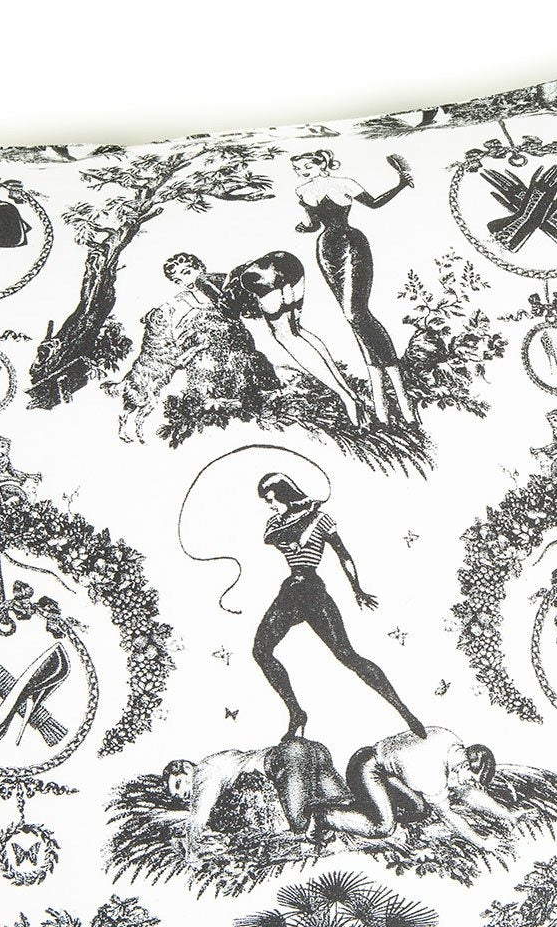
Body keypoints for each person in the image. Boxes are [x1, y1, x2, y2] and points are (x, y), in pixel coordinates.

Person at [252, 471, 426, 741]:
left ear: (285, 495)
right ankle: (296, 712)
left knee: (347, 655)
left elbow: (343, 554)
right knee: (261, 651)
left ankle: (404, 711)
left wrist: (357, 588)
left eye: (272, 499)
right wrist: (307, 516)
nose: (270, 506)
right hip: (290, 593)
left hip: (312, 592)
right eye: (267, 501)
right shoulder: (277, 522)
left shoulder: (322, 519)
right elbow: (273, 537)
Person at [163, 252, 365, 427]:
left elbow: (229, 311)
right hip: (286, 263)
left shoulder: (203, 281)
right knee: (298, 331)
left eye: (187, 272)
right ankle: (348, 392)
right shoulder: (220, 278)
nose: (186, 282)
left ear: (200, 267)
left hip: (262, 276)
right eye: (178, 280)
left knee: (286, 336)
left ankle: (346, 397)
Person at [292, 150, 415, 424]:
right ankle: (382, 403)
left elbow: (374, 204)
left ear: (321, 164)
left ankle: (399, 389)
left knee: (355, 313)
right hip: (326, 250)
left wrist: (401, 184)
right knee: (354, 319)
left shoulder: (345, 183)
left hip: (352, 244)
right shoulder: (302, 191)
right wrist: (304, 228)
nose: (302, 172)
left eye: (307, 165)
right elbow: (314, 225)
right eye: (297, 168)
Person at [322, 726, 517, 850]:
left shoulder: (453, 744)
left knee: (420, 810)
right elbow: (448, 815)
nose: (469, 784)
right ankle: (323, 817)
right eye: (472, 780)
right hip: (365, 769)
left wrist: (507, 815)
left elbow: (469, 794)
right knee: (383, 827)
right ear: (466, 765)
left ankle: (368, 809)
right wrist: (481, 843)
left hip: (387, 773)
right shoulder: (432, 773)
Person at [161, 737, 353, 854]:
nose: (184, 793)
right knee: (349, 811)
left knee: (302, 826)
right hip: (312, 751)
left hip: (290, 757)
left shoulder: (204, 771)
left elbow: (198, 815)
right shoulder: (218, 761)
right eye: (179, 796)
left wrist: (191, 849)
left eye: (179, 783)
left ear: (187, 767)